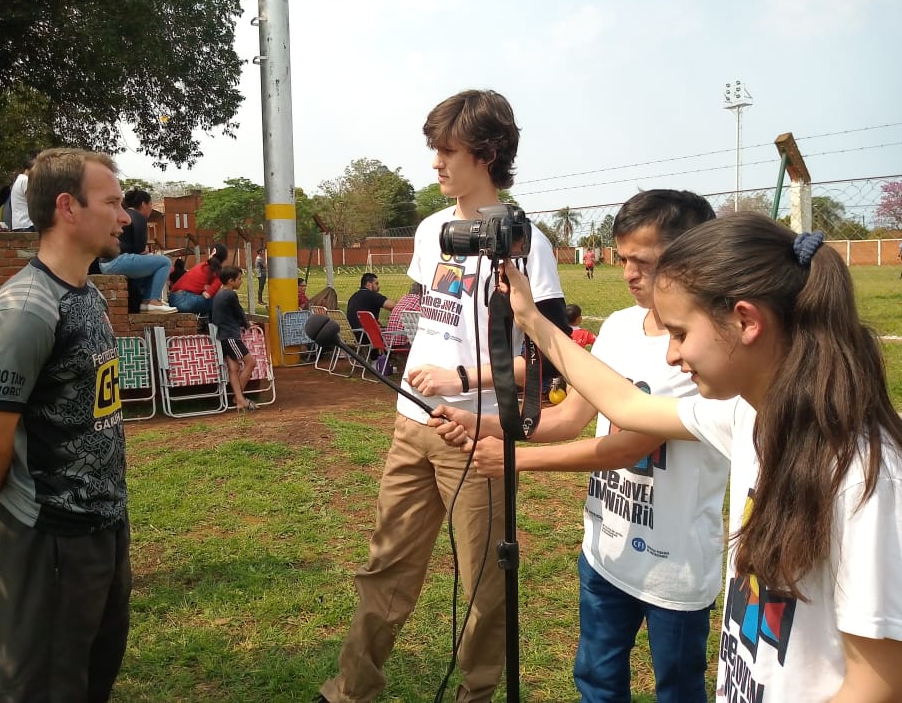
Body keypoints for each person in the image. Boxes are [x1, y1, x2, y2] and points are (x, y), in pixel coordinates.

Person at [491, 212, 902, 702]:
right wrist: (532, 320)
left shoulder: (862, 477)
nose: (670, 356)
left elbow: (878, 684)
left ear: (746, 321)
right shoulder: (746, 416)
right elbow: (625, 404)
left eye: (681, 333)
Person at [318, 89, 569, 703]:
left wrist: (464, 382)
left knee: (485, 586)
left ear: (486, 154)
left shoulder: (524, 241)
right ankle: (350, 691)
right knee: (385, 567)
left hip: (476, 437)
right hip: (412, 424)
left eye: (446, 150)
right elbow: (429, 315)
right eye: (433, 148)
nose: (434, 162)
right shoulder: (431, 229)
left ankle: (477, 695)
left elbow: (549, 364)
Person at [431, 190, 726, 702]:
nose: (630, 273)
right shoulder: (616, 327)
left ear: (691, 257)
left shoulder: (697, 348)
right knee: (595, 679)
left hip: (673, 568)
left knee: (677, 689)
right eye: (623, 258)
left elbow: (624, 447)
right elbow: (571, 415)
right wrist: (488, 425)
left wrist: (515, 461)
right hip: (606, 550)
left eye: (646, 262)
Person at [0, 148, 133, 701]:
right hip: (49, 537)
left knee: (90, 672)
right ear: (68, 207)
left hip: (103, 525)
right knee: (41, 684)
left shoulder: (87, 296)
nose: (125, 216)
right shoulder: (25, 311)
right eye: (112, 202)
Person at [98, 189, 176, 313]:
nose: (150, 208)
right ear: (143, 204)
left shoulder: (123, 214)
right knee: (164, 262)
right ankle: (153, 300)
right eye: (150, 205)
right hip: (116, 261)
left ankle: (146, 302)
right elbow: (140, 248)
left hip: (105, 262)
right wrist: (144, 249)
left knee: (152, 266)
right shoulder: (138, 217)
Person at [213, 265, 258, 411]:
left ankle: (239, 400)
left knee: (234, 368)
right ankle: (238, 397)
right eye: (239, 279)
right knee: (250, 363)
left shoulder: (218, 294)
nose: (241, 281)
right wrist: (246, 323)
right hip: (231, 336)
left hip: (223, 335)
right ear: (231, 281)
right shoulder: (230, 294)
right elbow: (239, 312)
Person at [168, 244, 227, 318]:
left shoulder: (202, 265)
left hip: (172, 299)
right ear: (224, 259)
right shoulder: (218, 273)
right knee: (220, 299)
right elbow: (207, 295)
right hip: (185, 301)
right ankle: (213, 325)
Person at [346, 273, 395, 349]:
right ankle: (389, 358)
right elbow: (393, 306)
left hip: (354, 335)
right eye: (376, 283)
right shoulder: (372, 295)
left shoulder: (353, 297)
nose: (378, 286)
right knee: (394, 334)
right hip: (368, 335)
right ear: (369, 284)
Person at [382, 281, 423, 349]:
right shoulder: (420, 301)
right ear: (421, 291)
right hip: (403, 343)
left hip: (389, 342)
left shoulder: (404, 299)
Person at [8, 150, 39, 231]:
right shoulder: (26, 180)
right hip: (27, 225)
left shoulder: (20, 179)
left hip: (20, 224)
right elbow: (34, 203)